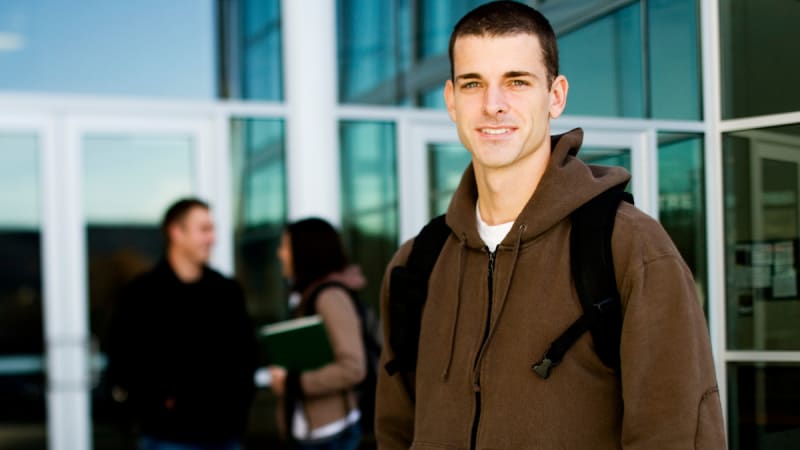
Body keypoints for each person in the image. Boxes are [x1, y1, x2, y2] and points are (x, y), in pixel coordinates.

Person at [375, 2, 727, 449]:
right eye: (473, 84)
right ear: (451, 100)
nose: (493, 105)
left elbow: (675, 434)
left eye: (516, 82)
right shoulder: (416, 264)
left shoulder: (628, 246)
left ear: (555, 96)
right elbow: (394, 432)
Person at [105, 198, 259, 450]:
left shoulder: (226, 291)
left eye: (213, 229)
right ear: (176, 232)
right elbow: (122, 359)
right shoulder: (142, 293)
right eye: (204, 229)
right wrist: (156, 404)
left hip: (225, 435)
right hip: (167, 436)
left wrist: (237, 406)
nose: (212, 238)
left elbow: (247, 354)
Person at [269, 218, 366, 450]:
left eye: (285, 246)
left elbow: (353, 368)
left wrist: (292, 382)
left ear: (304, 251)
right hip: (314, 433)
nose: (280, 254)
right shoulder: (306, 297)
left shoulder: (330, 298)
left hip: (331, 436)